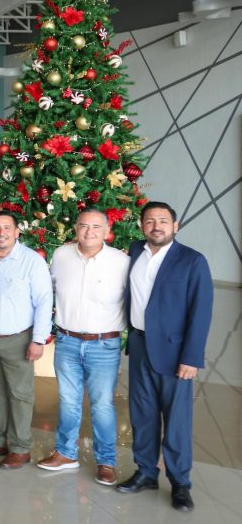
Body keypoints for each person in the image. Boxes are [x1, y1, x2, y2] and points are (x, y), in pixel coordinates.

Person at [116, 202, 213, 512]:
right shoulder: (134, 252)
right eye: (149, 221)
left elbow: (201, 312)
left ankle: (180, 482)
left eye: (162, 220)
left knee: (176, 421)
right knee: (142, 415)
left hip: (174, 353)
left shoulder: (192, 260)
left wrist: (191, 358)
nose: (156, 226)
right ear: (142, 226)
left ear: (175, 225)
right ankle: (146, 472)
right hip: (140, 345)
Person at [38, 208, 129, 486]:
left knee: (102, 405)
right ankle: (66, 453)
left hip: (104, 344)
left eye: (96, 227)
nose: (89, 232)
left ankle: (106, 461)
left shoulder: (122, 262)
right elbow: (48, 290)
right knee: (68, 401)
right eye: (84, 226)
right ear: (76, 228)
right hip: (67, 341)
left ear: (107, 230)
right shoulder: (61, 255)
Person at [0, 211, 53, 469]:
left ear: (17, 232)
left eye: (7, 227)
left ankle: (20, 447)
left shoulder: (31, 260)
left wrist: (38, 340)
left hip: (18, 339)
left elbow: (44, 301)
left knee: (20, 394)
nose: (1, 233)